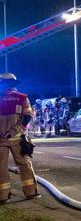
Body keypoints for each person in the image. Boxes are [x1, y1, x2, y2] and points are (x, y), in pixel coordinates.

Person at [0, 73, 39, 202]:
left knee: (1, 168)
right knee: (24, 164)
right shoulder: (22, 98)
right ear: (14, 84)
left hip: (1, 139)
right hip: (17, 138)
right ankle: (31, 192)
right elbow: (27, 117)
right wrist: (14, 131)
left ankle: (2, 195)